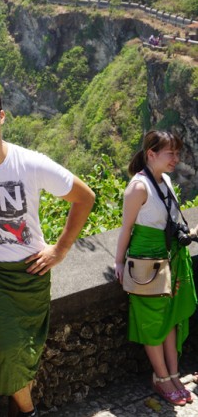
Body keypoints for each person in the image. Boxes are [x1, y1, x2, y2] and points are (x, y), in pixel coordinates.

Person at [0, 86, 95, 417]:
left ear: (1, 116)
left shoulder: (30, 163)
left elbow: (85, 197)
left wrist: (61, 249)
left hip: (31, 273)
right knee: (8, 347)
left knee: (26, 351)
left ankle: (15, 407)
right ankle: (27, 411)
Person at [114, 130, 197, 406]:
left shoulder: (166, 181)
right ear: (151, 154)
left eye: (177, 152)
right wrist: (118, 262)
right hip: (147, 262)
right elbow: (126, 228)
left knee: (170, 318)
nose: (176, 158)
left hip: (170, 256)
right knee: (152, 323)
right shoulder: (139, 187)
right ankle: (160, 378)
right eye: (170, 153)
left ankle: (173, 374)